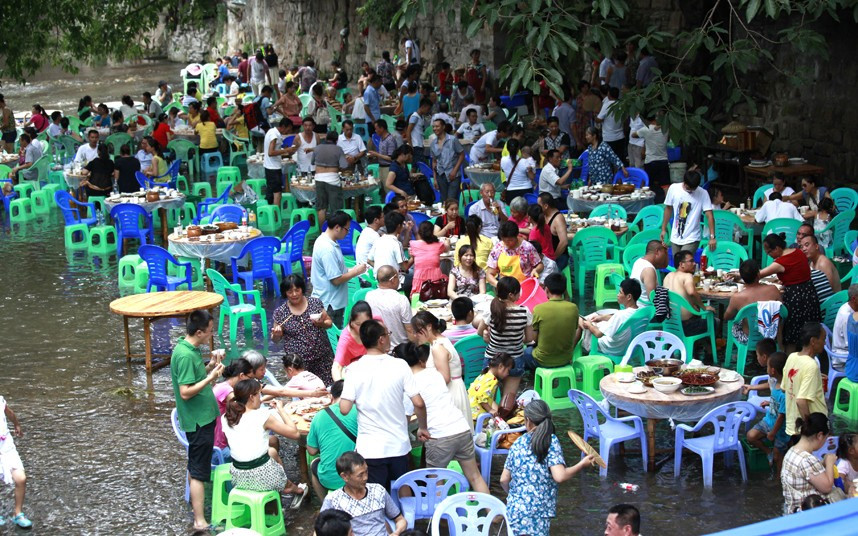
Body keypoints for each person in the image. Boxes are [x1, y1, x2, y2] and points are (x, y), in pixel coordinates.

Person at [340, 320, 429, 489]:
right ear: (381, 339)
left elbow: (344, 409)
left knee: (376, 494)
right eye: (388, 334)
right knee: (403, 489)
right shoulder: (400, 365)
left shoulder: (353, 369)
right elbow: (418, 402)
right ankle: (405, 515)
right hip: (398, 445)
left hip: (370, 448)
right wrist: (423, 428)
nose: (389, 338)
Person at [393, 343, 488, 493]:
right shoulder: (434, 373)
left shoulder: (409, 383)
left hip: (439, 435)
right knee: (475, 476)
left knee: (436, 481)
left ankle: (440, 516)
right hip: (461, 428)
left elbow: (406, 418)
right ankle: (493, 515)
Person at [500, 400, 596, 536]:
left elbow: (504, 480)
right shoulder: (550, 441)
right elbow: (560, 476)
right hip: (539, 513)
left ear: (527, 420)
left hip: (515, 511)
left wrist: (516, 496)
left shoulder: (518, 442)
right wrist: (581, 464)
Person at [170, 311, 224, 531]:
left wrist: (210, 367)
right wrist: (211, 379)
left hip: (203, 417)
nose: (212, 333)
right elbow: (185, 392)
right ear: (199, 332)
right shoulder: (184, 355)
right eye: (210, 330)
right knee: (199, 471)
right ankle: (200, 520)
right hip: (198, 421)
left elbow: (194, 376)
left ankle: (197, 511)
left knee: (197, 465)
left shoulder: (191, 350)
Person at [222, 379, 308, 508]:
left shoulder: (226, 417)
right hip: (263, 477)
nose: (260, 398)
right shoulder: (262, 415)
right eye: (259, 394)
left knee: (271, 452)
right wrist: (280, 409)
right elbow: (294, 434)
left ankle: (286, 489)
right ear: (251, 397)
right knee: (270, 459)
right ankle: (289, 488)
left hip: (238, 477)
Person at [759, 233, 821, 351]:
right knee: (809, 332)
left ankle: (789, 361)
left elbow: (758, 275)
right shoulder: (798, 252)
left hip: (796, 298)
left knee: (791, 334)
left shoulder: (781, 262)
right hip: (810, 294)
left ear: (777, 248)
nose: (770, 256)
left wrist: (737, 275)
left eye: (769, 252)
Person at [320, 452, 406, 536]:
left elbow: (400, 519)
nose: (366, 477)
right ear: (344, 476)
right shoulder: (333, 500)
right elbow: (320, 530)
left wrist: (396, 533)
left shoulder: (378, 490)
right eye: (360, 475)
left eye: (366, 472)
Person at [478, 276, 534, 398]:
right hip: (515, 359)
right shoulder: (524, 312)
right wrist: (517, 338)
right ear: (511, 295)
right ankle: (505, 417)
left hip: (493, 358)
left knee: (486, 397)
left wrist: (487, 336)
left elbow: (479, 331)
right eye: (518, 292)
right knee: (508, 398)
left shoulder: (491, 309)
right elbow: (529, 338)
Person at [311, 211, 367, 328]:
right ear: (337, 227)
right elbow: (335, 280)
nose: (348, 233)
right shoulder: (327, 249)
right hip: (330, 302)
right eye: (347, 229)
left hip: (329, 299)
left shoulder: (326, 241)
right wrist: (356, 272)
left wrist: (352, 269)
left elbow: (337, 270)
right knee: (331, 338)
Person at [307, 379, 359, 498]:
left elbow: (312, 451)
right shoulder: (359, 411)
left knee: (314, 462)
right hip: (358, 476)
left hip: (329, 479)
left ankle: (324, 505)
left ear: (331, 396)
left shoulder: (318, 416)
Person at [781, 413, 839, 514]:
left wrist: (822, 463)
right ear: (820, 435)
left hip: (792, 509)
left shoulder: (792, 451)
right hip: (808, 511)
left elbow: (807, 473)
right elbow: (827, 487)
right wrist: (829, 463)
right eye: (826, 438)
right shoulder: (807, 460)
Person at [783, 323, 829, 438]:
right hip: (811, 426)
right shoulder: (811, 365)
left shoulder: (792, 357)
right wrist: (810, 429)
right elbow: (801, 401)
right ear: (813, 341)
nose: (824, 343)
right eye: (823, 339)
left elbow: (785, 389)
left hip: (793, 424)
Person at [527, 273, 579, 369]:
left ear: (546, 289)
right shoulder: (573, 308)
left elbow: (534, 338)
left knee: (525, 353)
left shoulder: (538, 309)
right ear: (564, 290)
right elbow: (575, 330)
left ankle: (538, 380)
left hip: (542, 360)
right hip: (565, 358)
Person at [747, 351, 789, 470]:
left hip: (780, 430)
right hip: (768, 421)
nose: (767, 368)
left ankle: (778, 480)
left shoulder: (784, 393)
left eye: (768, 366)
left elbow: (782, 416)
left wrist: (772, 433)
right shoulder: (774, 384)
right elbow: (778, 404)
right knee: (751, 436)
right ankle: (768, 451)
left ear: (773, 370)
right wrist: (770, 403)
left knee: (778, 457)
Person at [723, 260, 783, 343]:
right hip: (772, 335)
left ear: (742, 277)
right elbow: (782, 312)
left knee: (738, 320)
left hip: (749, 337)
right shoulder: (773, 290)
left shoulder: (737, 297)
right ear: (758, 275)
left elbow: (727, 317)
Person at [580, 279, 641, 356]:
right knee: (596, 322)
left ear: (629, 297)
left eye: (620, 292)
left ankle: (572, 355)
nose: (617, 295)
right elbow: (621, 320)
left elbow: (598, 334)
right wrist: (602, 317)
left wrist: (589, 325)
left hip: (612, 348)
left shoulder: (620, 315)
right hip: (631, 347)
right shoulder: (640, 312)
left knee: (580, 321)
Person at [661, 170, 717, 254]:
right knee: (679, 265)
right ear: (684, 182)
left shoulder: (703, 193)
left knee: (684, 261)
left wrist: (712, 237)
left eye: (693, 189)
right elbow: (668, 208)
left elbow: (710, 216)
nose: (690, 191)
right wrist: (663, 229)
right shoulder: (673, 188)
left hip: (692, 237)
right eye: (688, 188)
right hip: (675, 237)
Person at [663, 250, 717, 335]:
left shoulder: (667, 276)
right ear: (681, 264)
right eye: (691, 261)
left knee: (697, 312)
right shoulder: (687, 276)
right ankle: (710, 347)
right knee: (715, 322)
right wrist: (704, 307)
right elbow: (691, 292)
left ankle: (696, 346)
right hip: (687, 326)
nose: (694, 264)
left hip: (669, 324)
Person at [0, 396, 32, 528]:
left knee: (21, 479)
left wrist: (17, 424)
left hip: (5, 444)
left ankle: (17, 513)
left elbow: (9, 413)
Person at [364, 265, 415, 347]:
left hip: (380, 347)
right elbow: (409, 330)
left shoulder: (369, 296)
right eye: (398, 277)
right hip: (401, 348)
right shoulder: (401, 299)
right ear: (393, 280)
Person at [212, 358, 253, 451]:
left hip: (218, 439)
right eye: (250, 378)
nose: (251, 382)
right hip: (221, 446)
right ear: (242, 375)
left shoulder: (222, 385)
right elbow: (244, 410)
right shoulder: (227, 390)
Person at [486, 221, 543, 286]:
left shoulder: (527, 247)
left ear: (516, 236)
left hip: (525, 285)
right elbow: (489, 274)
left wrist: (536, 270)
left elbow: (540, 265)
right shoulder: (497, 249)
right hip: (505, 287)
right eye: (504, 240)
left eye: (510, 240)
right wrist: (499, 285)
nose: (507, 243)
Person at [630, 112, 669, 202]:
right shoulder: (665, 128)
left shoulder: (646, 130)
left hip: (650, 162)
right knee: (665, 186)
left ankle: (649, 203)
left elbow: (633, 135)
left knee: (648, 185)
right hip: (663, 161)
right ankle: (667, 204)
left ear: (647, 120)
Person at [333, 301, 376, 380]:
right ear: (351, 322)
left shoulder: (376, 323)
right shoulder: (346, 339)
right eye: (358, 324)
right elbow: (337, 367)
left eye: (366, 323)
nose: (363, 327)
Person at [468, 353, 515, 419]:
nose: (508, 374)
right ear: (500, 366)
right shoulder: (492, 380)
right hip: (477, 414)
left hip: (470, 410)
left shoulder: (484, 374)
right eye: (508, 370)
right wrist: (490, 410)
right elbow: (481, 396)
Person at [410, 221, 449, 297]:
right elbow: (447, 248)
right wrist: (447, 242)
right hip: (435, 278)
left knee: (418, 298)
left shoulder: (414, 244)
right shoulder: (438, 245)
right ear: (432, 232)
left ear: (419, 233)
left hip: (419, 278)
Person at [429, 118, 465, 201]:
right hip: (440, 175)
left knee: (452, 199)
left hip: (453, 175)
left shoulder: (453, 140)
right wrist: (435, 179)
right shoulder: (433, 143)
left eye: (437, 126)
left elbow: (462, 155)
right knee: (443, 200)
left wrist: (454, 171)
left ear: (443, 127)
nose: (435, 129)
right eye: (433, 127)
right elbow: (434, 162)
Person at [263, 118, 293, 207]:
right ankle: (276, 215)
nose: (289, 131)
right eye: (289, 129)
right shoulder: (274, 135)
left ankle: (272, 212)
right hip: (273, 168)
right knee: (277, 193)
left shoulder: (272, 131)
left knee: (271, 191)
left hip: (269, 166)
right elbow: (271, 152)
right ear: (283, 126)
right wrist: (286, 150)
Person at [536, 193, 570, 271]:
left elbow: (564, 242)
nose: (538, 207)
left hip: (559, 256)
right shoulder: (543, 216)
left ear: (546, 206)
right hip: (546, 256)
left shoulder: (558, 219)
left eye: (539, 205)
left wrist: (553, 258)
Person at [630, 240, 668, 306]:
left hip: (638, 305)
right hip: (646, 310)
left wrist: (666, 252)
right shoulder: (649, 270)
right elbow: (652, 299)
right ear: (657, 252)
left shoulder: (639, 261)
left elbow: (664, 265)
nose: (664, 255)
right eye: (663, 253)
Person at [832, 284, 858, 359]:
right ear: (854, 299)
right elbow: (852, 345)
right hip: (844, 356)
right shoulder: (846, 316)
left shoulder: (851, 306)